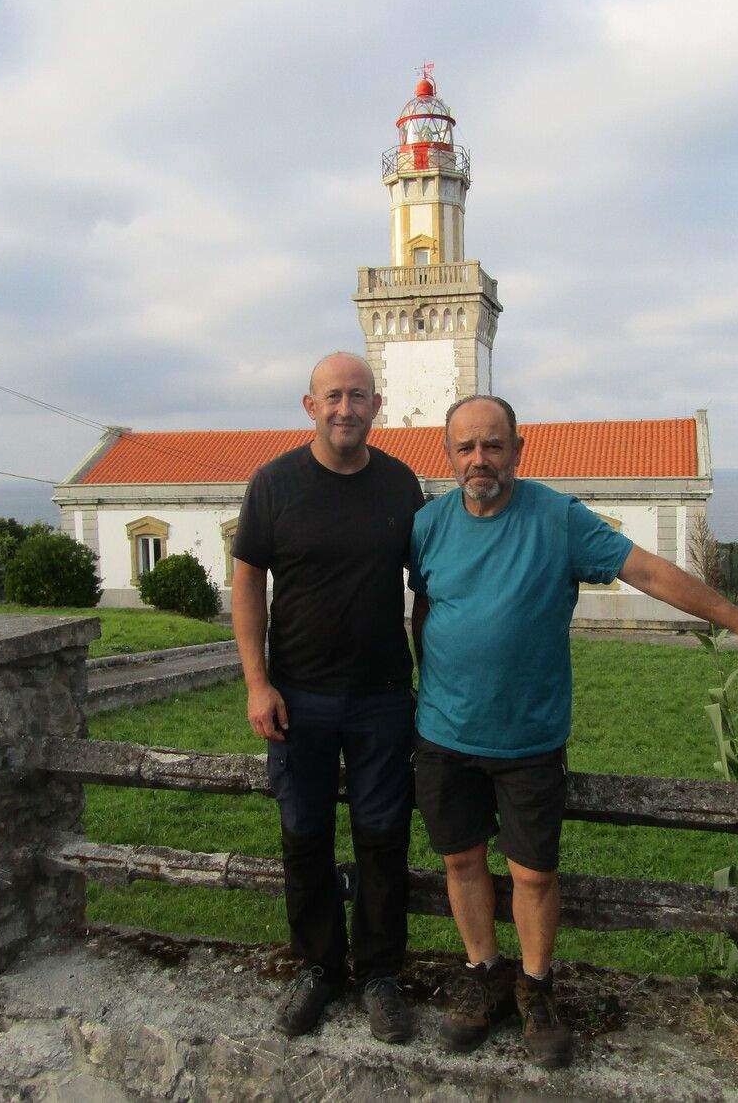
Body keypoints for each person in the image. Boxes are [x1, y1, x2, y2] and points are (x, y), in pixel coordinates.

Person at [408, 394, 738, 1069]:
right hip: (444, 733)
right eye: (466, 446)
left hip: (529, 740)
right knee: (461, 862)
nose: (480, 458)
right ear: (448, 454)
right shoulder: (427, 526)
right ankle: (484, 977)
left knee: (533, 873)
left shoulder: (557, 518)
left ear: (517, 448)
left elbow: (648, 571)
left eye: (493, 444)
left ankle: (535, 987)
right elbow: (423, 608)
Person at [231, 352, 427, 1044]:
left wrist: (430, 673)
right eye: (333, 396)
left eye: (359, 396)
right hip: (298, 698)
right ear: (310, 406)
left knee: (382, 837)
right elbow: (248, 581)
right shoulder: (275, 484)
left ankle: (377, 973)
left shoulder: (402, 485)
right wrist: (258, 681)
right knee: (304, 834)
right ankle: (317, 965)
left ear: (377, 406)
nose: (347, 408)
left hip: (381, 699)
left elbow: (429, 587)